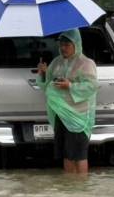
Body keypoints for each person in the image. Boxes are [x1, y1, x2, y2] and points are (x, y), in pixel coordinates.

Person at [36, 29, 99, 175]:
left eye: (67, 44)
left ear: (76, 44)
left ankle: (81, 188)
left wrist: (70, 85)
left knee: (79, 155)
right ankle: (69, 187)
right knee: (66, 154)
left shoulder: (86, 64)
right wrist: (43, 73)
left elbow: (91, 87)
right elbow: (47, 86)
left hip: (79, 118)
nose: (63, 48)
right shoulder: (56, 63)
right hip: (60, 115)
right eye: (61, 45)